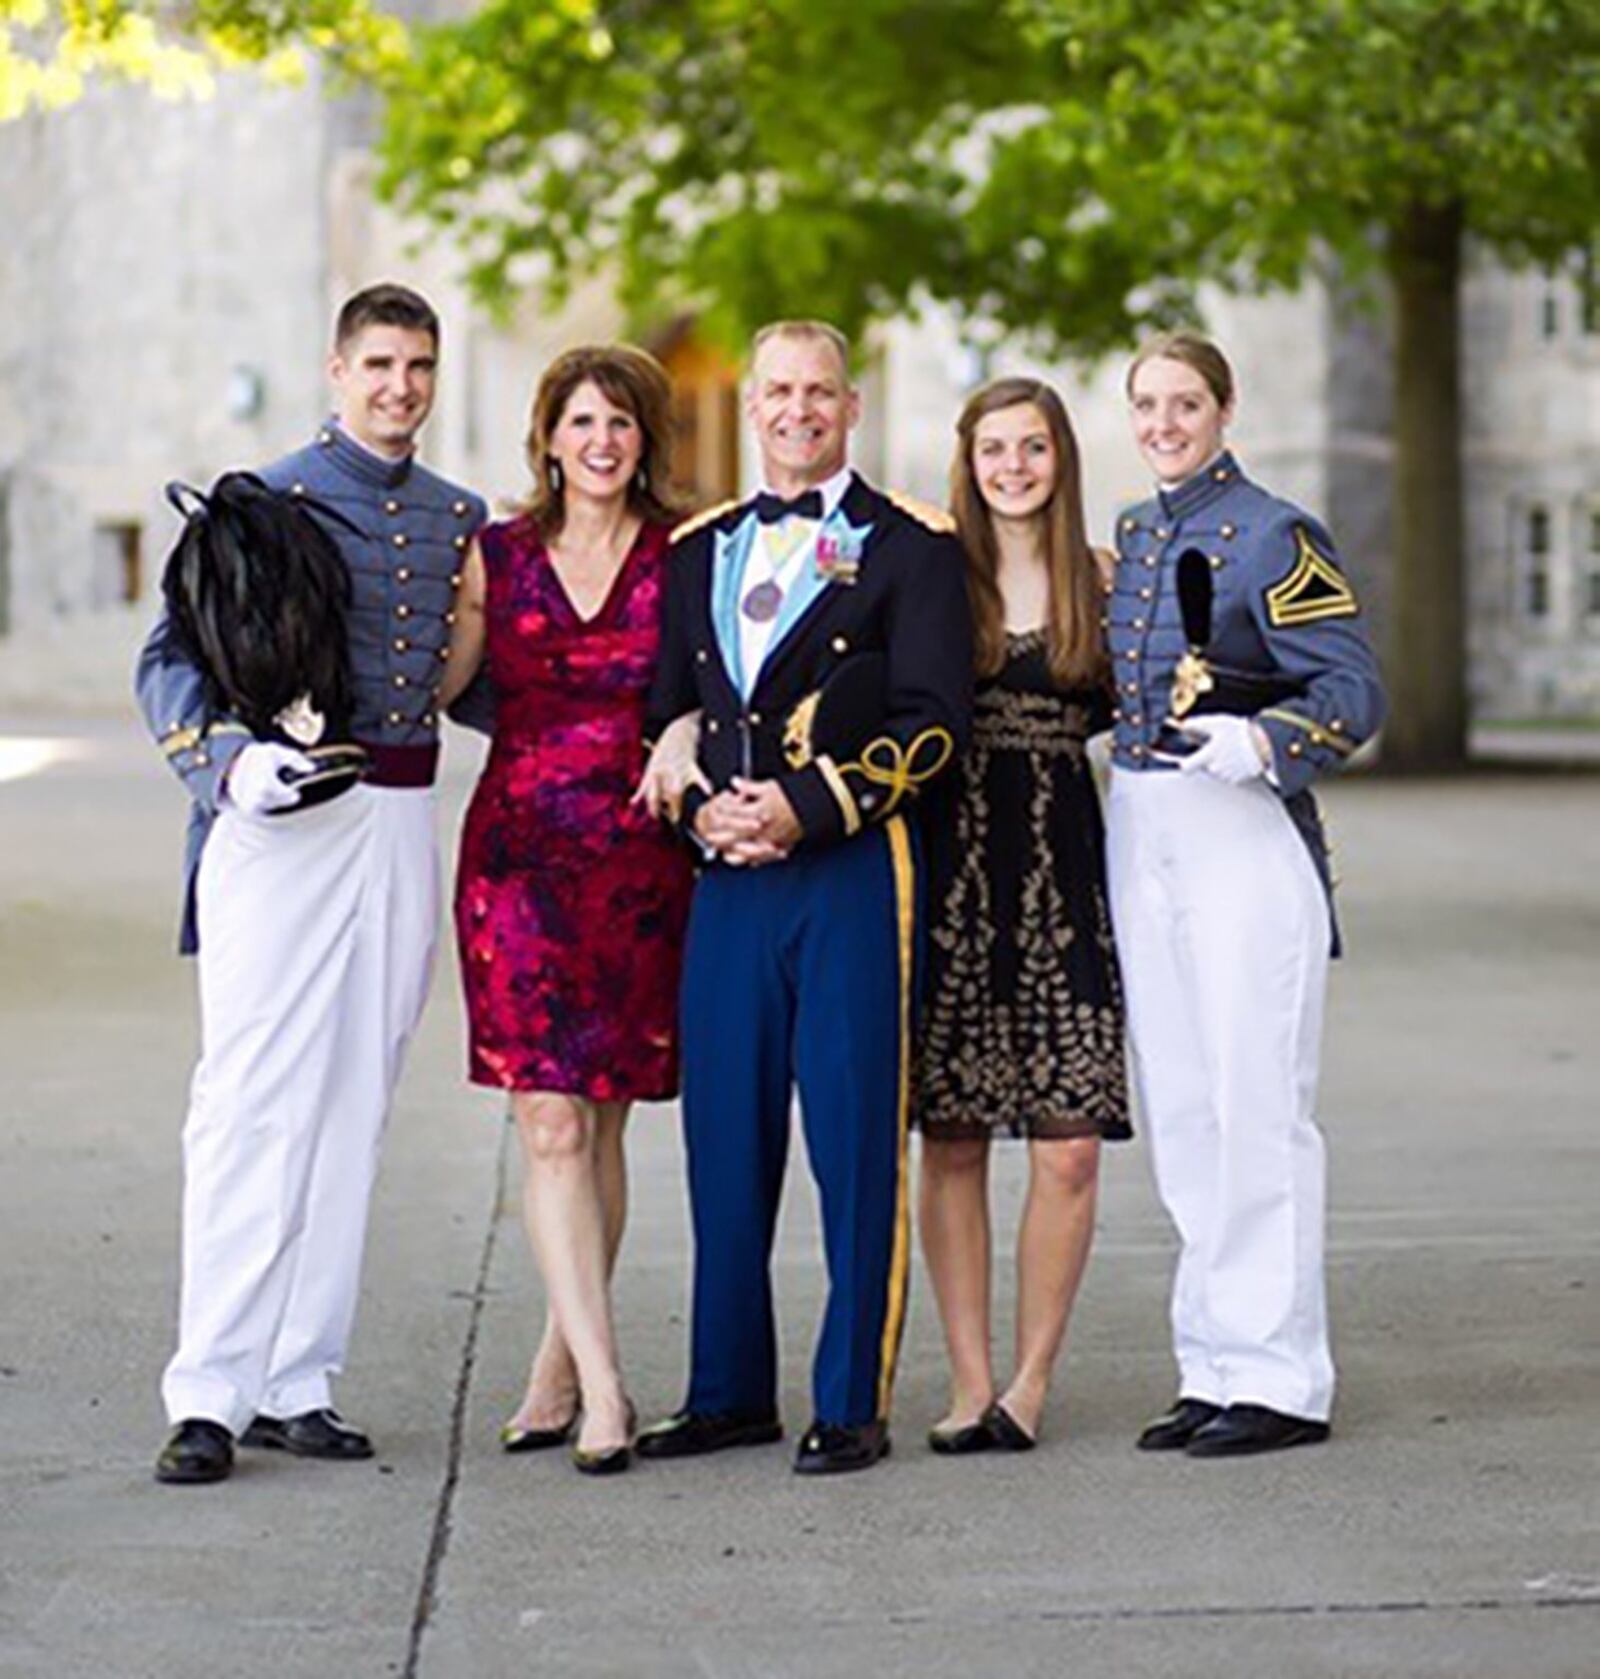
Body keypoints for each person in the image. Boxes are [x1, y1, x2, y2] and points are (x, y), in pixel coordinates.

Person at [137, 283, 487, 1484]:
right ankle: (209, 1387)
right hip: (277, 821)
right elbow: (170, 657)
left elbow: (480, 676)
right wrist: (228, 767)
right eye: (380, 363)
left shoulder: (456, 516)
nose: (400, 386)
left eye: (420, 366)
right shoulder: (263, 498)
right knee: (248, 1096)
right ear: (336, 369)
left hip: (399, 815)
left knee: (354, 1097)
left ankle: (298, 1373)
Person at [633, 320, 973, 1475]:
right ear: (752, 402)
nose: (794, 410)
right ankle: (727, 1389)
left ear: (851, 404)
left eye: (817, 391)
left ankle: (848, 1398)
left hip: (849, 872)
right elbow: (665, 712)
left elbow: (934, 723)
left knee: (853, 1139)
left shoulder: (914, 545)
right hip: (725, 879)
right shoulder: (700, 546)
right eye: (775, 390)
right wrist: (698, 809)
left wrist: (804, 807)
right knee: (722, 1140)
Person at [1106, 331, 1386, 1457]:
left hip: (1238, 824)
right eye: (1147, 404)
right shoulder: (1134, 531)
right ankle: (1213, 1357)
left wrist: (1266, 740)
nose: (1164, 423)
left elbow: (1353, 684)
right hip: (1146, 824)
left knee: (1256, 1100)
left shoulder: (1275, 531)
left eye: (1185, 403)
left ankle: (1279, 1377)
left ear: (1224, 408)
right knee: (1183, 1107)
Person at [438, 345, 694, 1476]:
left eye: (621, 423)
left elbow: (715, 684)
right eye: (582, 421)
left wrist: (685, 730)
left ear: (645, 440)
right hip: (519, 864)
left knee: (599, 1121)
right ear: (548, 434)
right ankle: (604, 1389)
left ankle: (554, 1358)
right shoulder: (492, 556)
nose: (601, 441)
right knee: (546, 1121)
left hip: (641, 866)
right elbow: (433, 683)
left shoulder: (682, 555)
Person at [914, 377, 1132, 1456]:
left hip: (1067, 881)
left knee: (1070, 1146)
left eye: (1032, 446)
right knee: (951, 1138)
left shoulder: (1104, 580)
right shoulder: (930, 577)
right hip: (952, 875)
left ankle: (1032, 1379)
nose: (1012, 465)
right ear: (968, 458)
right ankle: (968, 1377)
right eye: (993, 447)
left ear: (1060, 458)